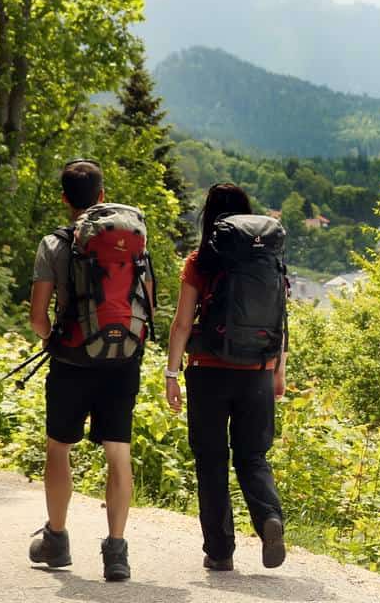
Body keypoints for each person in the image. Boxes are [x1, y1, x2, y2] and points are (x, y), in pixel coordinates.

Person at [27, 159, 139, 582]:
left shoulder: (53, 245)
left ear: (63, 199)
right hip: (122, 359)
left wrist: (53, 340)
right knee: (118, 452)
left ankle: (55, 539)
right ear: (102, 197)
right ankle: (116, 552)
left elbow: (38, 317)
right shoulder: (131, 242)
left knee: (59, 447)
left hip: (72, 360)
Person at [166, 183, 287, 571]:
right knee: (253, 456)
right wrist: (278, 372)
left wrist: (172, 372)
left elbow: (183, 323)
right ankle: (269, 516)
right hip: (258, 371)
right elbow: (281, 322)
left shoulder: (200, 261)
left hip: (208, 370)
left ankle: (219, 551)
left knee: (212, 461)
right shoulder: (271, 262)